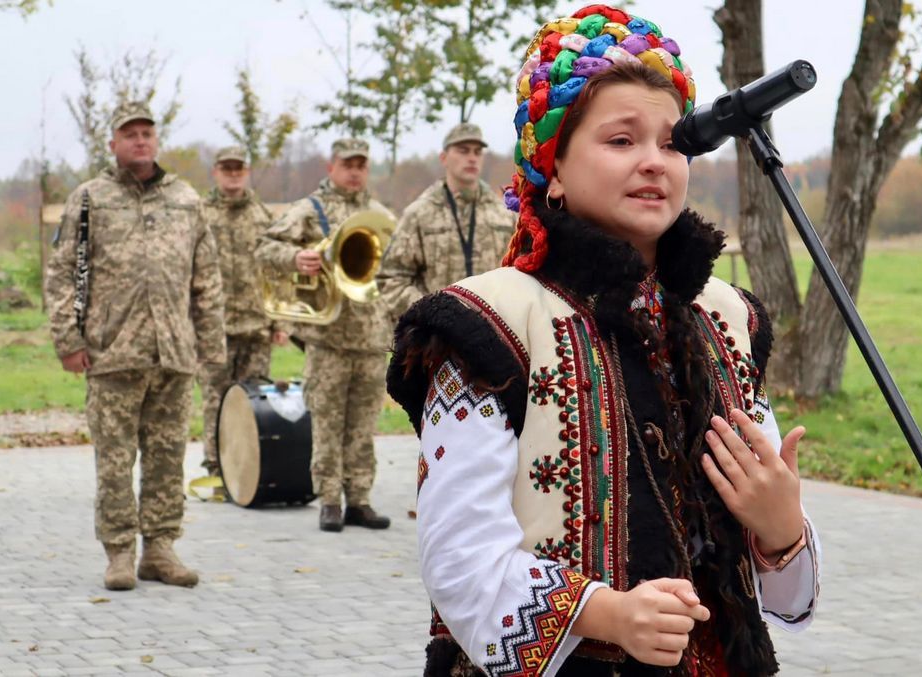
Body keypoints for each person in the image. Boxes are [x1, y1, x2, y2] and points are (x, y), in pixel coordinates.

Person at [386, 6, 820, 675]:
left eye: (671, 143)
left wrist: (782, 528)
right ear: (553, 167)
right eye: (620, 141)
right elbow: (458, 559)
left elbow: (788, 603)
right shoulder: (486, 325)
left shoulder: (727, 319)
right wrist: (606, 614)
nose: (653, 162)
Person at [45, 101, 225, 591]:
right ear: (113, 144)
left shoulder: (185, 199)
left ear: (156, 140)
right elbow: (61, 273)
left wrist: (210, 343)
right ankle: (120, 552)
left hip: (174, 353)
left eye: (147, 133)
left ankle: (160, 550)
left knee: (167, 458)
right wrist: (68, 340)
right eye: (130, 134)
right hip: (112, 353)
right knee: (115, 461)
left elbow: (206, 277)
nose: (140, 141)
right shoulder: (89, 198)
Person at [256, 138, 395, 532]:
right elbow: (263, 246)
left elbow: (394, 268)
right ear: (331, 168)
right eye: (347, 164)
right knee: (328, 422)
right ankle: (330, 500)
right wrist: (294, 257)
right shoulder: (309, 209)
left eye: (361, 165)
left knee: (363, 426)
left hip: (371, 337)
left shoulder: (381, 215)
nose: (355, 172)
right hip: (328, 339)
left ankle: (360, 500)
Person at [199, 146, 288, 478]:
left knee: (252, 404)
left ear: (247, 172)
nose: (233, 174)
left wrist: (280, 322)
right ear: (216, 172)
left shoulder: (263, 217)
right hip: (213, 329)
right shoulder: (200, 215)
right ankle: (215, 469)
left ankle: (247, 471)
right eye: (227, 168)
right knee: (215, 401)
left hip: (256, 328)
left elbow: (277, 273)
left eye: (238, 168)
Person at [376, 122, 516, 325]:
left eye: (477, 152)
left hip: (493, 332)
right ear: (443, 158)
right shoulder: (419, 213)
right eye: (463, 150)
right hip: (437, 335)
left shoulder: (504, 214)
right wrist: (429, 312)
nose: (471, 158)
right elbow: (390, 279)